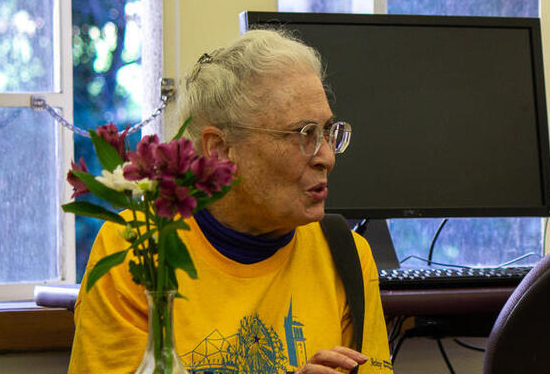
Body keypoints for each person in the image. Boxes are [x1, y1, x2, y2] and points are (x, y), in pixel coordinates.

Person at [68, 29, 392, 373]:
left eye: (327, 132)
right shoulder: (137, 251)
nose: (326, 157)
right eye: (304, 134)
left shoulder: (346, 256)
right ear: (219, 150)